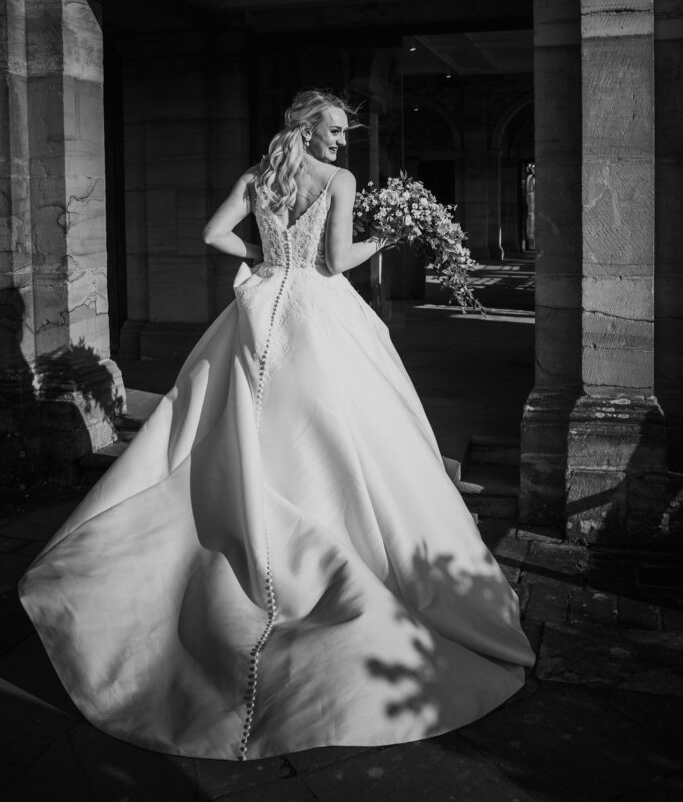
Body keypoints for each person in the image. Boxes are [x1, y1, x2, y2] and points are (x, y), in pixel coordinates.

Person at [19, 89, 534, 762]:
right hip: (317, 311)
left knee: (237, 420)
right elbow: (334, 262)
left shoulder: (257, 178)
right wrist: (389, 236)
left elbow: (212, 235)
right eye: (336, 129)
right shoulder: (338, 181)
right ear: (308, 126)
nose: (342, 142)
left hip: (260, 308)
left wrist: (261, 260)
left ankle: (245, 516)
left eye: (345, 133)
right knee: (338, 424)